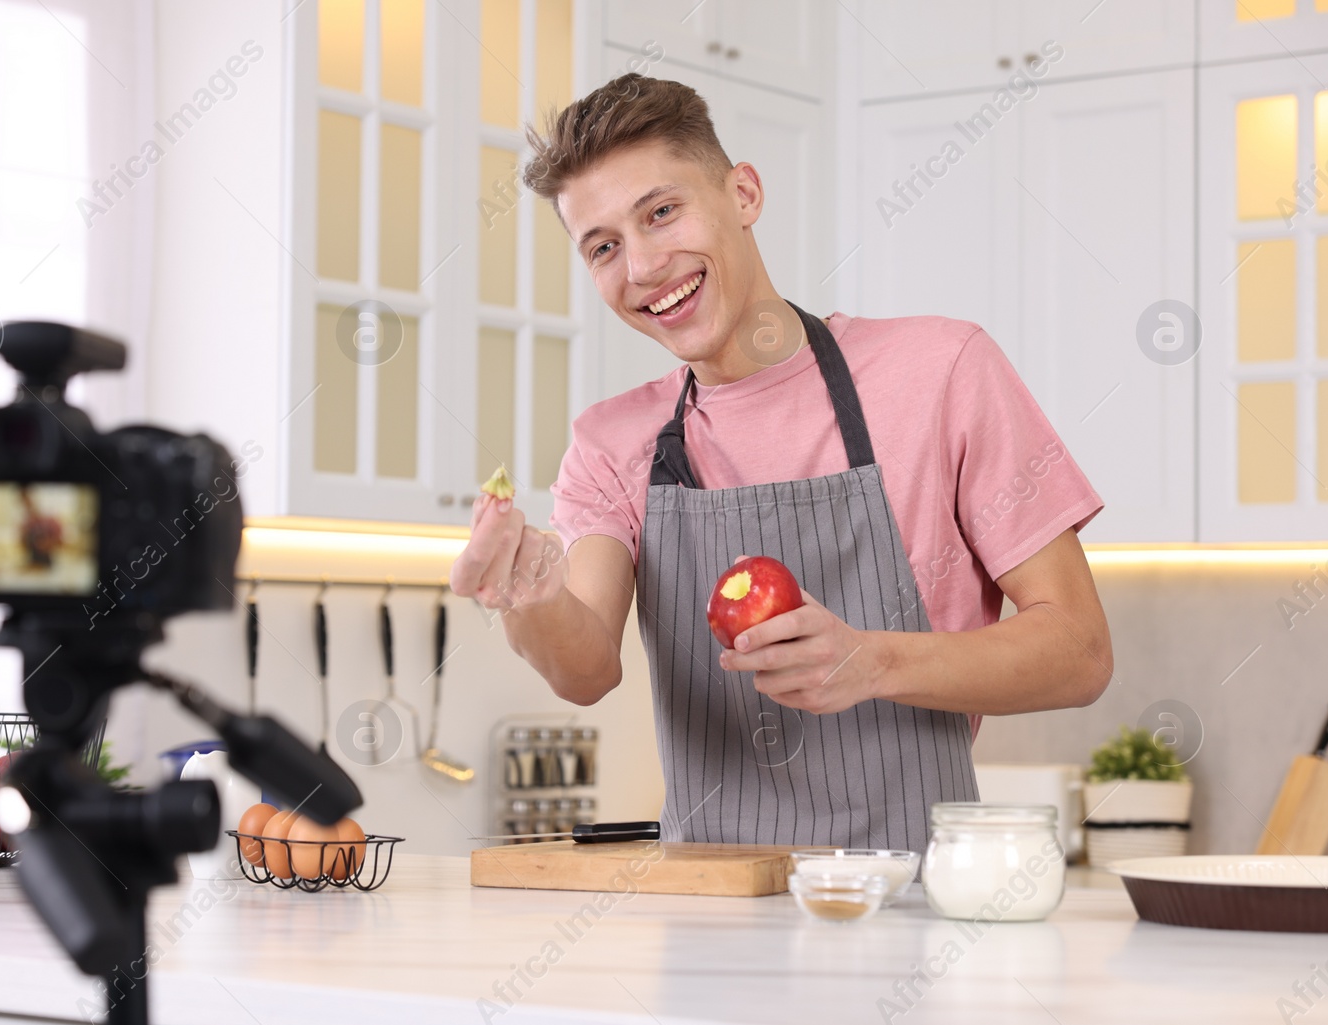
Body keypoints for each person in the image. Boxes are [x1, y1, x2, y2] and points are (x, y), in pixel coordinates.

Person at [449, 74, 1112, 851]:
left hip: (921, 898)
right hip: (714, 906)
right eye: (603, 247)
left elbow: (1080, 651)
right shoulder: (612, 441)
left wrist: (872, 660)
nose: (643, 267)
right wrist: (526, 590)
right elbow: (586, 665)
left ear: (744, 194)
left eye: (662, 212)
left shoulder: (940, 371)